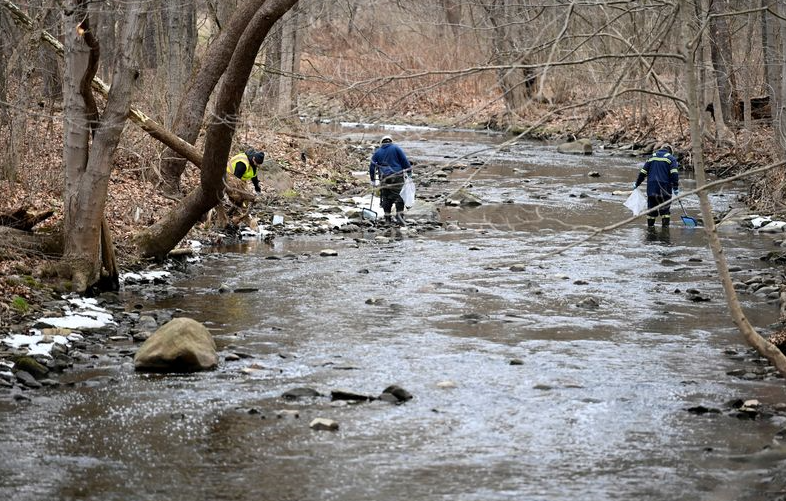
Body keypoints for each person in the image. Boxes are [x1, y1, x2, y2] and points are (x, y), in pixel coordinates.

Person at [369, 135, 412, 226]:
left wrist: (373, 179)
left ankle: (387, 219)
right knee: (399, 196)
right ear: (391, 141)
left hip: (384, 177)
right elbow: (404, 161)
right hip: (397, 175)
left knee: (386, 197)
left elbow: (372, 166)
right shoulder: (396, 148)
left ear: (382, 143)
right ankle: (399, 218)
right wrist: (409, 172)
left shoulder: (377, 152)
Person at [633, 143, 679, 228]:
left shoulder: (652, 157)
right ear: (670, 151)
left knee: (651, 210)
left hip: (651, 188)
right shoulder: (671, 158)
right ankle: (665, 232)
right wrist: (675, 187)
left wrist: (637, 183)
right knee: (665, 211)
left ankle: (650, 230)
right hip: (664, 189)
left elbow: (643, 172)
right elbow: (674, 174)